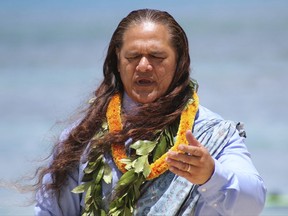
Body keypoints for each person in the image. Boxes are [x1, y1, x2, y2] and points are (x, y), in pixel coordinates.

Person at [34, 9, 266, 216]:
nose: (143, 66)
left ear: (180, 61)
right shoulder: (82, 137)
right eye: (133, 57)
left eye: (157, 57)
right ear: (117, 58)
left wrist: (211, 175)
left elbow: (253, 205)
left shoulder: (213, 134)